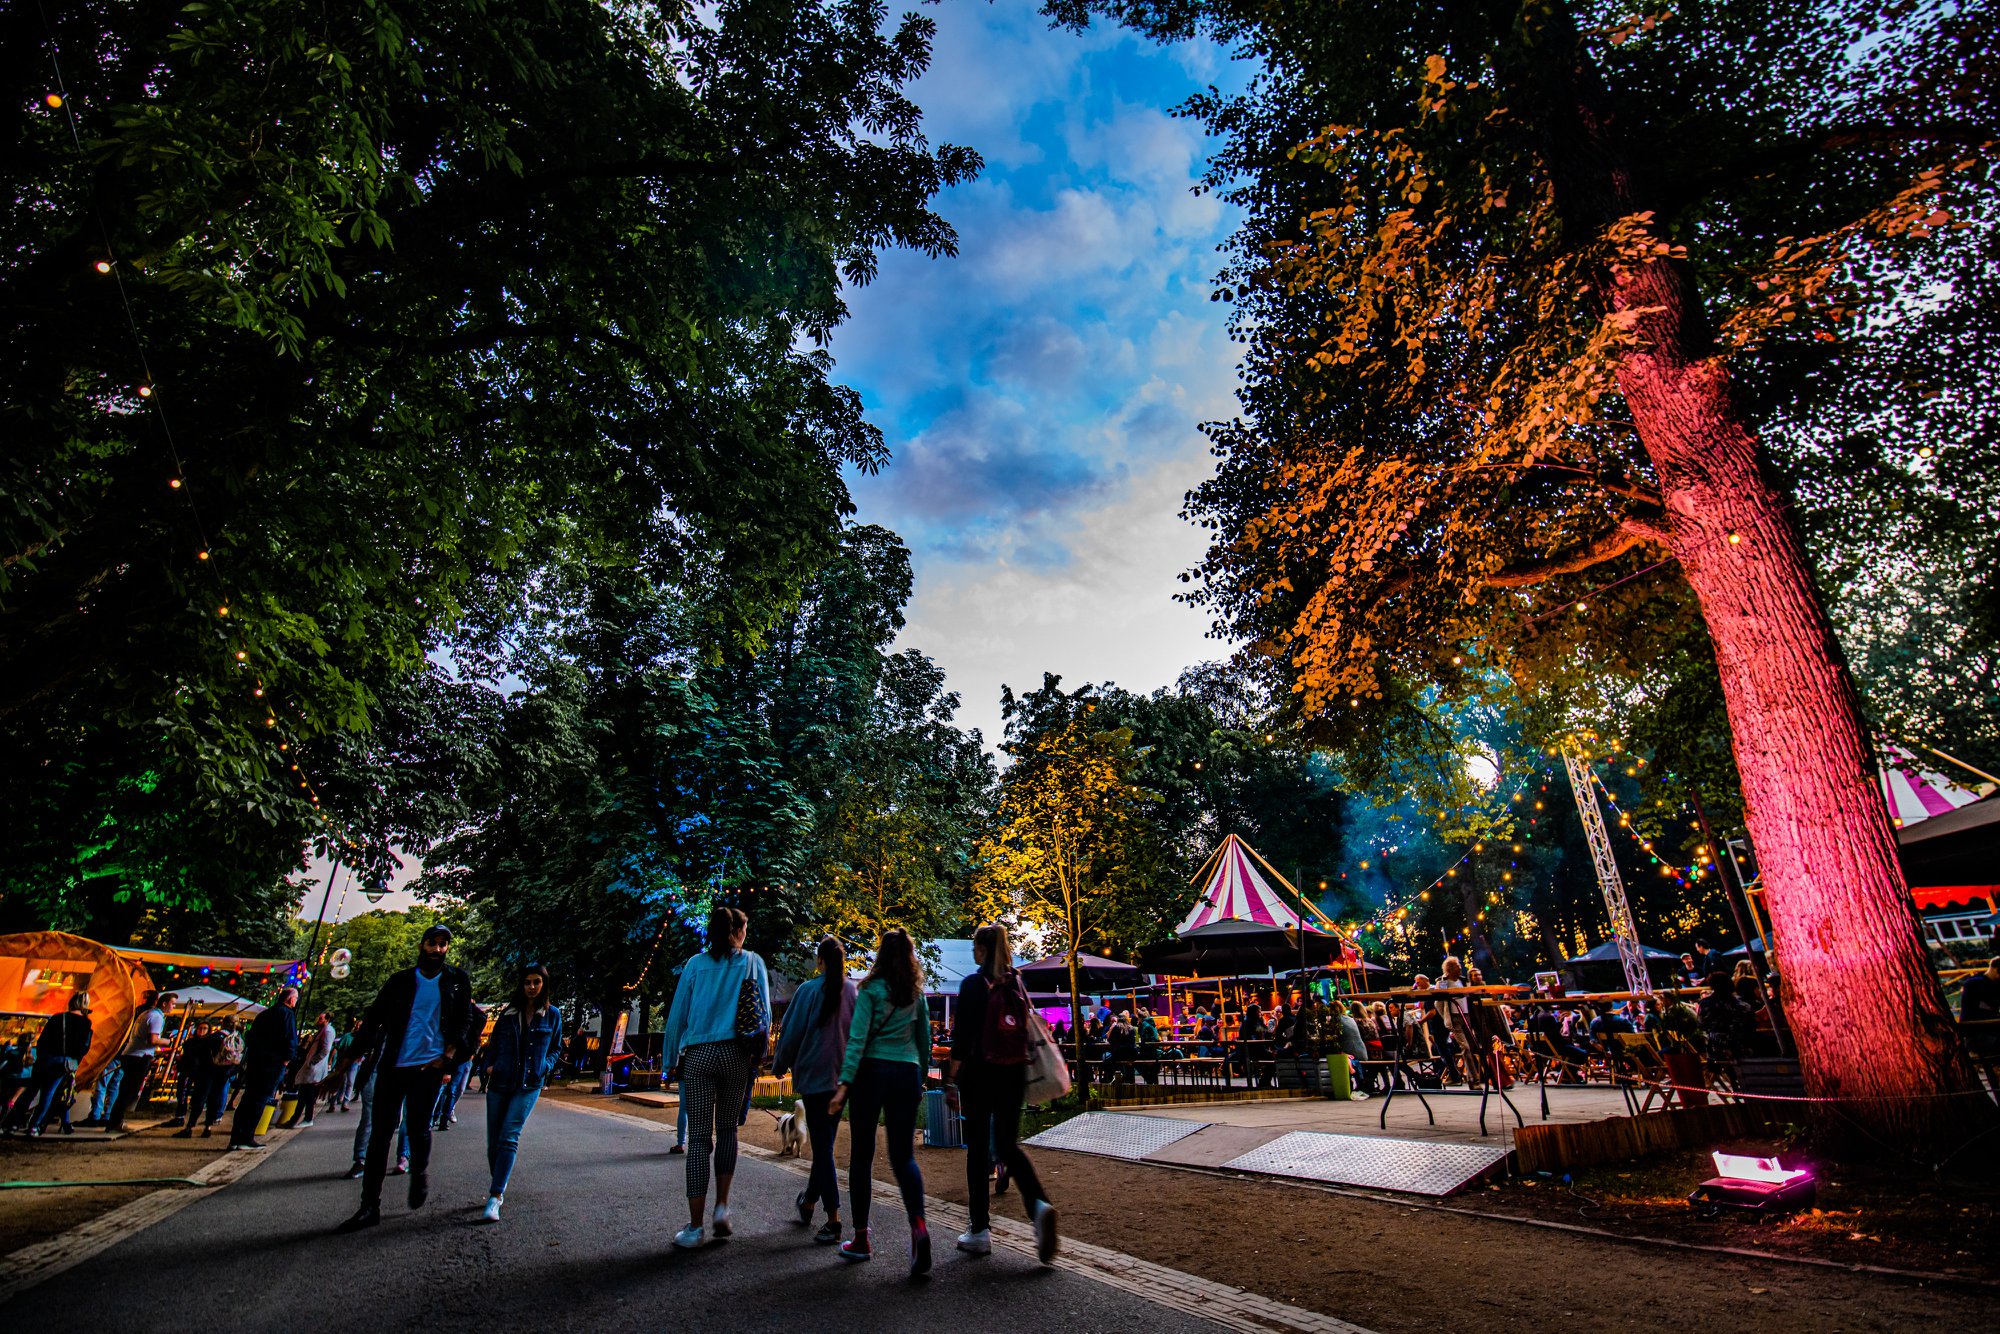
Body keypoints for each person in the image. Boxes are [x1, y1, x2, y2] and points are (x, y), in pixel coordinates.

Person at [335, 925, 479, 1232]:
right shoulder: (400, 981)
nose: (438, 949)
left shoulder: (457, 980)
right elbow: (373, 1019)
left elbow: (466, 1018)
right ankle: (369, 1205)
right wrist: (347, 1061)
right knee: (380, 1135)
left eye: (443, 944)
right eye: (433, 943)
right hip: (394, 1065)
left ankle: (419, 1172)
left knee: (417, 1127)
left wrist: (449, 1054)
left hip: (429, 1067)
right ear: (422, 945)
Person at [947, 923, 1058, 1266]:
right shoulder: (1017, 982)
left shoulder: (972, 985)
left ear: (981, 949)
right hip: (1013, 1074)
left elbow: (961, 1040)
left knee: (978, 1149)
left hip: (979, 1074)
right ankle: (1038, 1204)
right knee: (1008, 1145)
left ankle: (979, 1231)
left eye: (974, 948)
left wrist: (950, 1081)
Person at [660, 906, 770, 1251]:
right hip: (736, 1054)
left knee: (698, 1139)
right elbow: (762, 1013)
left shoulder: (695, 965)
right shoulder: (753, 962)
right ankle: (722, 1206)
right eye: (745, 927)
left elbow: (678, 1014)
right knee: (727, 1131)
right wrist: (759, 1055)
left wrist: (668, 1060)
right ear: (737, 930)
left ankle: (695, 1226)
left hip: (699, 1054)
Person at [828, 927, 931, 1274]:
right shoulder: (917, 994)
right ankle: (918, 1226)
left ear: (881, 955)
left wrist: (844, 1085)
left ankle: (861, 1237)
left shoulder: (869, 990)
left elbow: (856, 1040)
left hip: (871, 1073)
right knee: (904, 1157)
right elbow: (924, 1042)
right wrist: (919, 1076)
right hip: (906, 1073)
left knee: (862, 1155)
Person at [772, 936, 856, 1246]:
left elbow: (792, 1032)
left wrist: (780, 1063)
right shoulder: (852, 992)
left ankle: (833, 1220)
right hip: (841, 1080)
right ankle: (808, 1202)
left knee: (823, 1149)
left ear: (820, 961)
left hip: (815, 1080)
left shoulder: (808, 991)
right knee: (824, 1145)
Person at [480, 963, 562, 1223]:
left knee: (509, 1136)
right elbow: (492, 1046)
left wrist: (545, 1067)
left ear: (544, 985)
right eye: (527, 982)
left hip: (529, 1084)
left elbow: (556, 1048)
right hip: (501, 1081)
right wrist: (489, 1067)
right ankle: (499, 1180)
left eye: (536, 982)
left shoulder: (552, 1015)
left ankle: (496, 1195)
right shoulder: (507, 1014)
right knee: (494, 1143)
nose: (532, 987)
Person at [229, 987, 299, 1150]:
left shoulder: (264, 1014)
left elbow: (250, 1037)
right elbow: (290, 1039)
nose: (296, 1002)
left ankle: (235, 1137)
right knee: (260, 1099)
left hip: (256, 1062)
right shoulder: (287, 1014)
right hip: (273, 1063)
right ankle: (247, 1137)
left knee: (248, 1099)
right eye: (295, 998)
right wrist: (287, 1060)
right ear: (290, 999)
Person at [19, 993, 93, 1136]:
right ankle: (35, 1125)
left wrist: (41, 1056)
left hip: (46, 1058)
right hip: (65, 1062)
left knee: (31, 1091)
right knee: (51, 1093)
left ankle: (12, 1122)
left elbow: (42, 1040)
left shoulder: (58, 1018)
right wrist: (75, 1061)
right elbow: (84, 1047)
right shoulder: (86, 1023)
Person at [105, 990, 174, 1133]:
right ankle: (115, 1122)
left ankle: (115, 1120)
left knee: (126, 1089)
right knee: (129, 1091)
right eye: (172, 1004)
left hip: (131, 1054)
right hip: (139, 1056)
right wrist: (168, 1041)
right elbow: (153, 1039)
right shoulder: (156, 1017)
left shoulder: (146, 1014)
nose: (173, 1007)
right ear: (164, 1003)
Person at [284, 1011, 337, 1128]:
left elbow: (326, 1049)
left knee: (306, 1095)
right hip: (312, 1068)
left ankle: (304, 1118)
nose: (318, 1020)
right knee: (304, 1094)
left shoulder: (328, 1031)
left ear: (327, 1019)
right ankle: (297, 1119)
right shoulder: (324, 1031)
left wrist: (313, 1061)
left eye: (321, 1018)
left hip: (314, 1069)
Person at [1963, 957, 2000, 1056]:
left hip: (1988, 1032)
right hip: (1977, 1036)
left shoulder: (1976, 982)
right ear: (1997, 969)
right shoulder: (1977, 984)